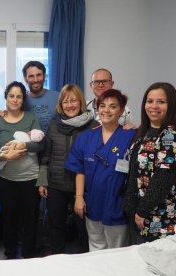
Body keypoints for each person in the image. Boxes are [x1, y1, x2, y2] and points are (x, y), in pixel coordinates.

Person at [64, 89, 137, 251]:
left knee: (117, 251)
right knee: (96, 247)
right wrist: (79, 197)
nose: (106, 110)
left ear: (122, 110)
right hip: (93, 202)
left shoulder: (132, 136)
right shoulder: (85, 138)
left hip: (117, 204)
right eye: (102, 106)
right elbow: (79, 170)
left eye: (113, 106)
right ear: (97, 109)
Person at [37, 84, 99, 254]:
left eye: (73, 101)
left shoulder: (93, 126)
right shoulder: (54, 125)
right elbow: (46, 155)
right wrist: (42, 181)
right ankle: (58, 261)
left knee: (84, 226)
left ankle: (87, 260)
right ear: (60, 105)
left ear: (80, 102)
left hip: (82, 186)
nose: (69, 105)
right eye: (65, 102)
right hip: (56, 184)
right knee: (55, 225)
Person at [122, 82, 176, 243]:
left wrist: (142, 211)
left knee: (153, 265)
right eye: (150, 101)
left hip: (159, 217)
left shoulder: (172, 135)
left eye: (161, 102)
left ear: (171, 105)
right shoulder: (144, 131)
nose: (154, 106)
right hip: (138, 212)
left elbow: (163, 179)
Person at [0, 81, 44, 259]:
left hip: (30, 179)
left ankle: (28, 256)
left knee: (30, 221)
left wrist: (23, 145)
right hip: (7, 181)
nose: (15, 99)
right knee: (9, 221)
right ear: (5, 98)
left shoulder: (31, 117)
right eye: (11, 96)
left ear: (23, 99)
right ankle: (10, 255)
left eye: (19, 96)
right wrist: (6, 157)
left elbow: (40, 144)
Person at [22, 61, 60, 133]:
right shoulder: (21, 100)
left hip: (54, 143)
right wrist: (3, 113)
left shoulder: (57, 97)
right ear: (25, 79)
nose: (35, 80)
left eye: (39, 75)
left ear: (44, 76)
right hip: (29, 144)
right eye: (31, 76)